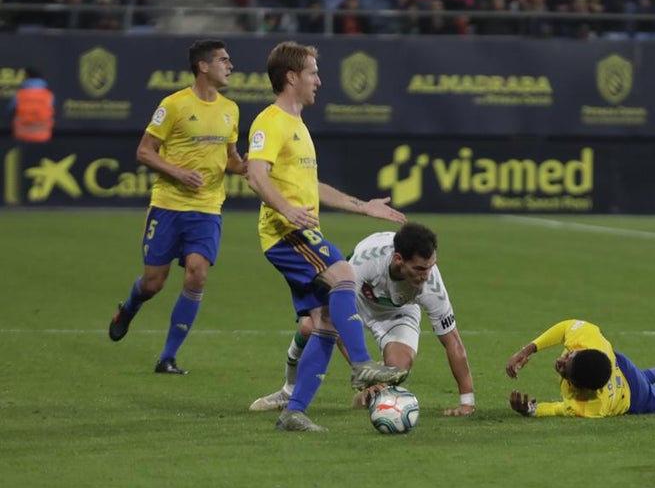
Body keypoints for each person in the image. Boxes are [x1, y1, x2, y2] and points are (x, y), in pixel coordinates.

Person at [245, 40, 409, 433]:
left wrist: (362, 206)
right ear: (291, 77)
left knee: (325, 320)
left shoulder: (297, 125)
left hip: (299, 231)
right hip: (288, 234)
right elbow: (255, 173)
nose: (319, 80)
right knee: (345, 276)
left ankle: (294, 412)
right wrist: (285, 210)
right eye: (313, 72)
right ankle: (361, 365)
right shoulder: (271, 120)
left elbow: (312, 186)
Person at [107, 40, 246, 374]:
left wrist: (251, 167)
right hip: (168, 206)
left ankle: (168, 356)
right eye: (224, 60)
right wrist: (178, 172)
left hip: (208, 208)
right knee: (154, 283)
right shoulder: (174, 105)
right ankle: (128, 308)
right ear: (203, 66)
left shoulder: (231, 109)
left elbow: (231, 159)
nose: (230, 66)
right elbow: (144, 151)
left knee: (197, 274)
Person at [249, 222, 477, 417]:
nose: (425, 275)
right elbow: (337, 313)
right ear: (398, 259)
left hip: (398, 311)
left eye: (430, 267)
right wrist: (366, 374)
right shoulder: (366, 263)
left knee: (397, 370)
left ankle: (368, 397)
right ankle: (288, 392)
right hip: (354, 299)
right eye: (419, 268)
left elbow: (452, 342)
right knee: (311, 327)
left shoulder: (431, 285)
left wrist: (467, 403)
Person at [505, 319, 655, 418]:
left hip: (629, 396)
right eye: (569, 356)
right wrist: (526, 351)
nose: (560, 362)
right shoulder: (590, 344)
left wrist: (531, 410)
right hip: (616, 363)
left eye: (565, 369)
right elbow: (566, 327)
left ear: (577, 386)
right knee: (635, 375)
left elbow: (556, 408)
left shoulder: (590, 406)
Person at [9, 67, 54, 143]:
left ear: (26, 77)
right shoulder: (48, 95)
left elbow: (10, 111)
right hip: (43, 137)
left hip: (21, 136)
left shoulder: (19, 94)